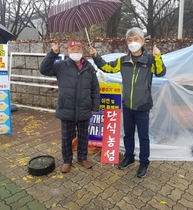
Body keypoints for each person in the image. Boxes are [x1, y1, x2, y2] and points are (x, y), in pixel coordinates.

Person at [89, 27, 166, 178]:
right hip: (127, 105)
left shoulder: (150, 59)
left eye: (136, 39)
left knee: (144, 137)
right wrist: (96, 56)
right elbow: (107, 68)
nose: (133, 43)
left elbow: (160, 72)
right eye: (130, 40)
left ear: (143, 41)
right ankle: (129, 157)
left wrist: (158, 57)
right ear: (126, 43)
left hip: (143, 105)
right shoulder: (123, 60)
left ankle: (144, 162)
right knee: (128, 134)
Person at [40, 41, 100, 173]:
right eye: (72, 48)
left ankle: (82, 158)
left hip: (84, 108)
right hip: (66, 108)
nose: (75, 50)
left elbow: (95, 89)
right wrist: (52, 53)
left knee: (84, 136)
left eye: (79, 48)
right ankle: (67, 160)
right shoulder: (61, 65)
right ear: (67, 51)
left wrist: (95, 106)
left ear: (83, 51)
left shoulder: (89, 67)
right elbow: (43, 70)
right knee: (67, 137)